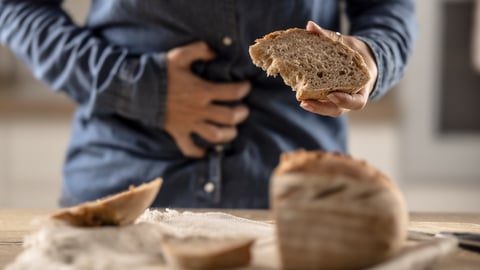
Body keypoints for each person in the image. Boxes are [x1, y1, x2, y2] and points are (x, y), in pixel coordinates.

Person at [0, 1, 416, 208]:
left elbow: (387, 7)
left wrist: (372, 58)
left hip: (300, 203)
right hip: (122, 191)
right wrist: (138, 87)